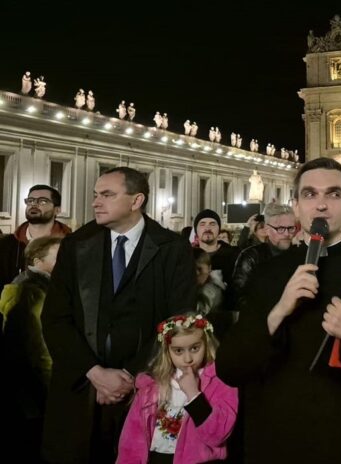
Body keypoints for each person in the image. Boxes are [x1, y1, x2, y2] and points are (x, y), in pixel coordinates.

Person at [216, 157, 341, 463]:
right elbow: (230, 368)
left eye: (334, 194)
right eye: (310, 194)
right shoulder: (268, 273)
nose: (321, 205)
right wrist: (278, 311)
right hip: (279, 442)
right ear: (296, 206)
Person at [40, 166, 196, 463]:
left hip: (146, 390)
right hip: (80, 388)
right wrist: (95, 373)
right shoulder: (76, 244)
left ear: (136, 201)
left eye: (107, 195)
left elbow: (178, 322)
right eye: (95, 195)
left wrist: (130, 378)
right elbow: (55, 318)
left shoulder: (172, 248)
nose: (95, 202)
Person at [117, 312, 238, 463]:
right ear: (167, 350)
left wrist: (194, 395)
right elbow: (131, 441)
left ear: (206, 343)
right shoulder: (152, 386)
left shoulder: (220, 382)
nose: (188, 359)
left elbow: (217, 436)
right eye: (178, 351)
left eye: (195, 348)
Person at [0, 236, 62, 453]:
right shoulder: (33, 291)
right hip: (33, 391)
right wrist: (54, 389)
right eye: (58, 257)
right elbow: (39, 348)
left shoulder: (32, 286)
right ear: (37, 261)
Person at [0, 184, 72, 287]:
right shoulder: (6, 244)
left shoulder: (71, 244)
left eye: (42, 201)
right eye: (30, 201)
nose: (34, 205)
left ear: (57, 210)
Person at [229, 204, 297, 308]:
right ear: (267, 229)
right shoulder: (251, 257)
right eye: (280, 228)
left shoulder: (300, 255)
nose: (287, 234)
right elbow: (238, 295)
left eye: (291, 228)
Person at [194, 209, 239, 288]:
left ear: (219, 229)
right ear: (196, 230)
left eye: (212, 224)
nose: (207, 228)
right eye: (202, 224)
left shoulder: (235, 256)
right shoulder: (188, 257)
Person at [194, 248, 225, 316]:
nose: (196, 273)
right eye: (192, 268)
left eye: (199, 269)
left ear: (209, 268)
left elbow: (197, 314)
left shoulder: (210, 290)